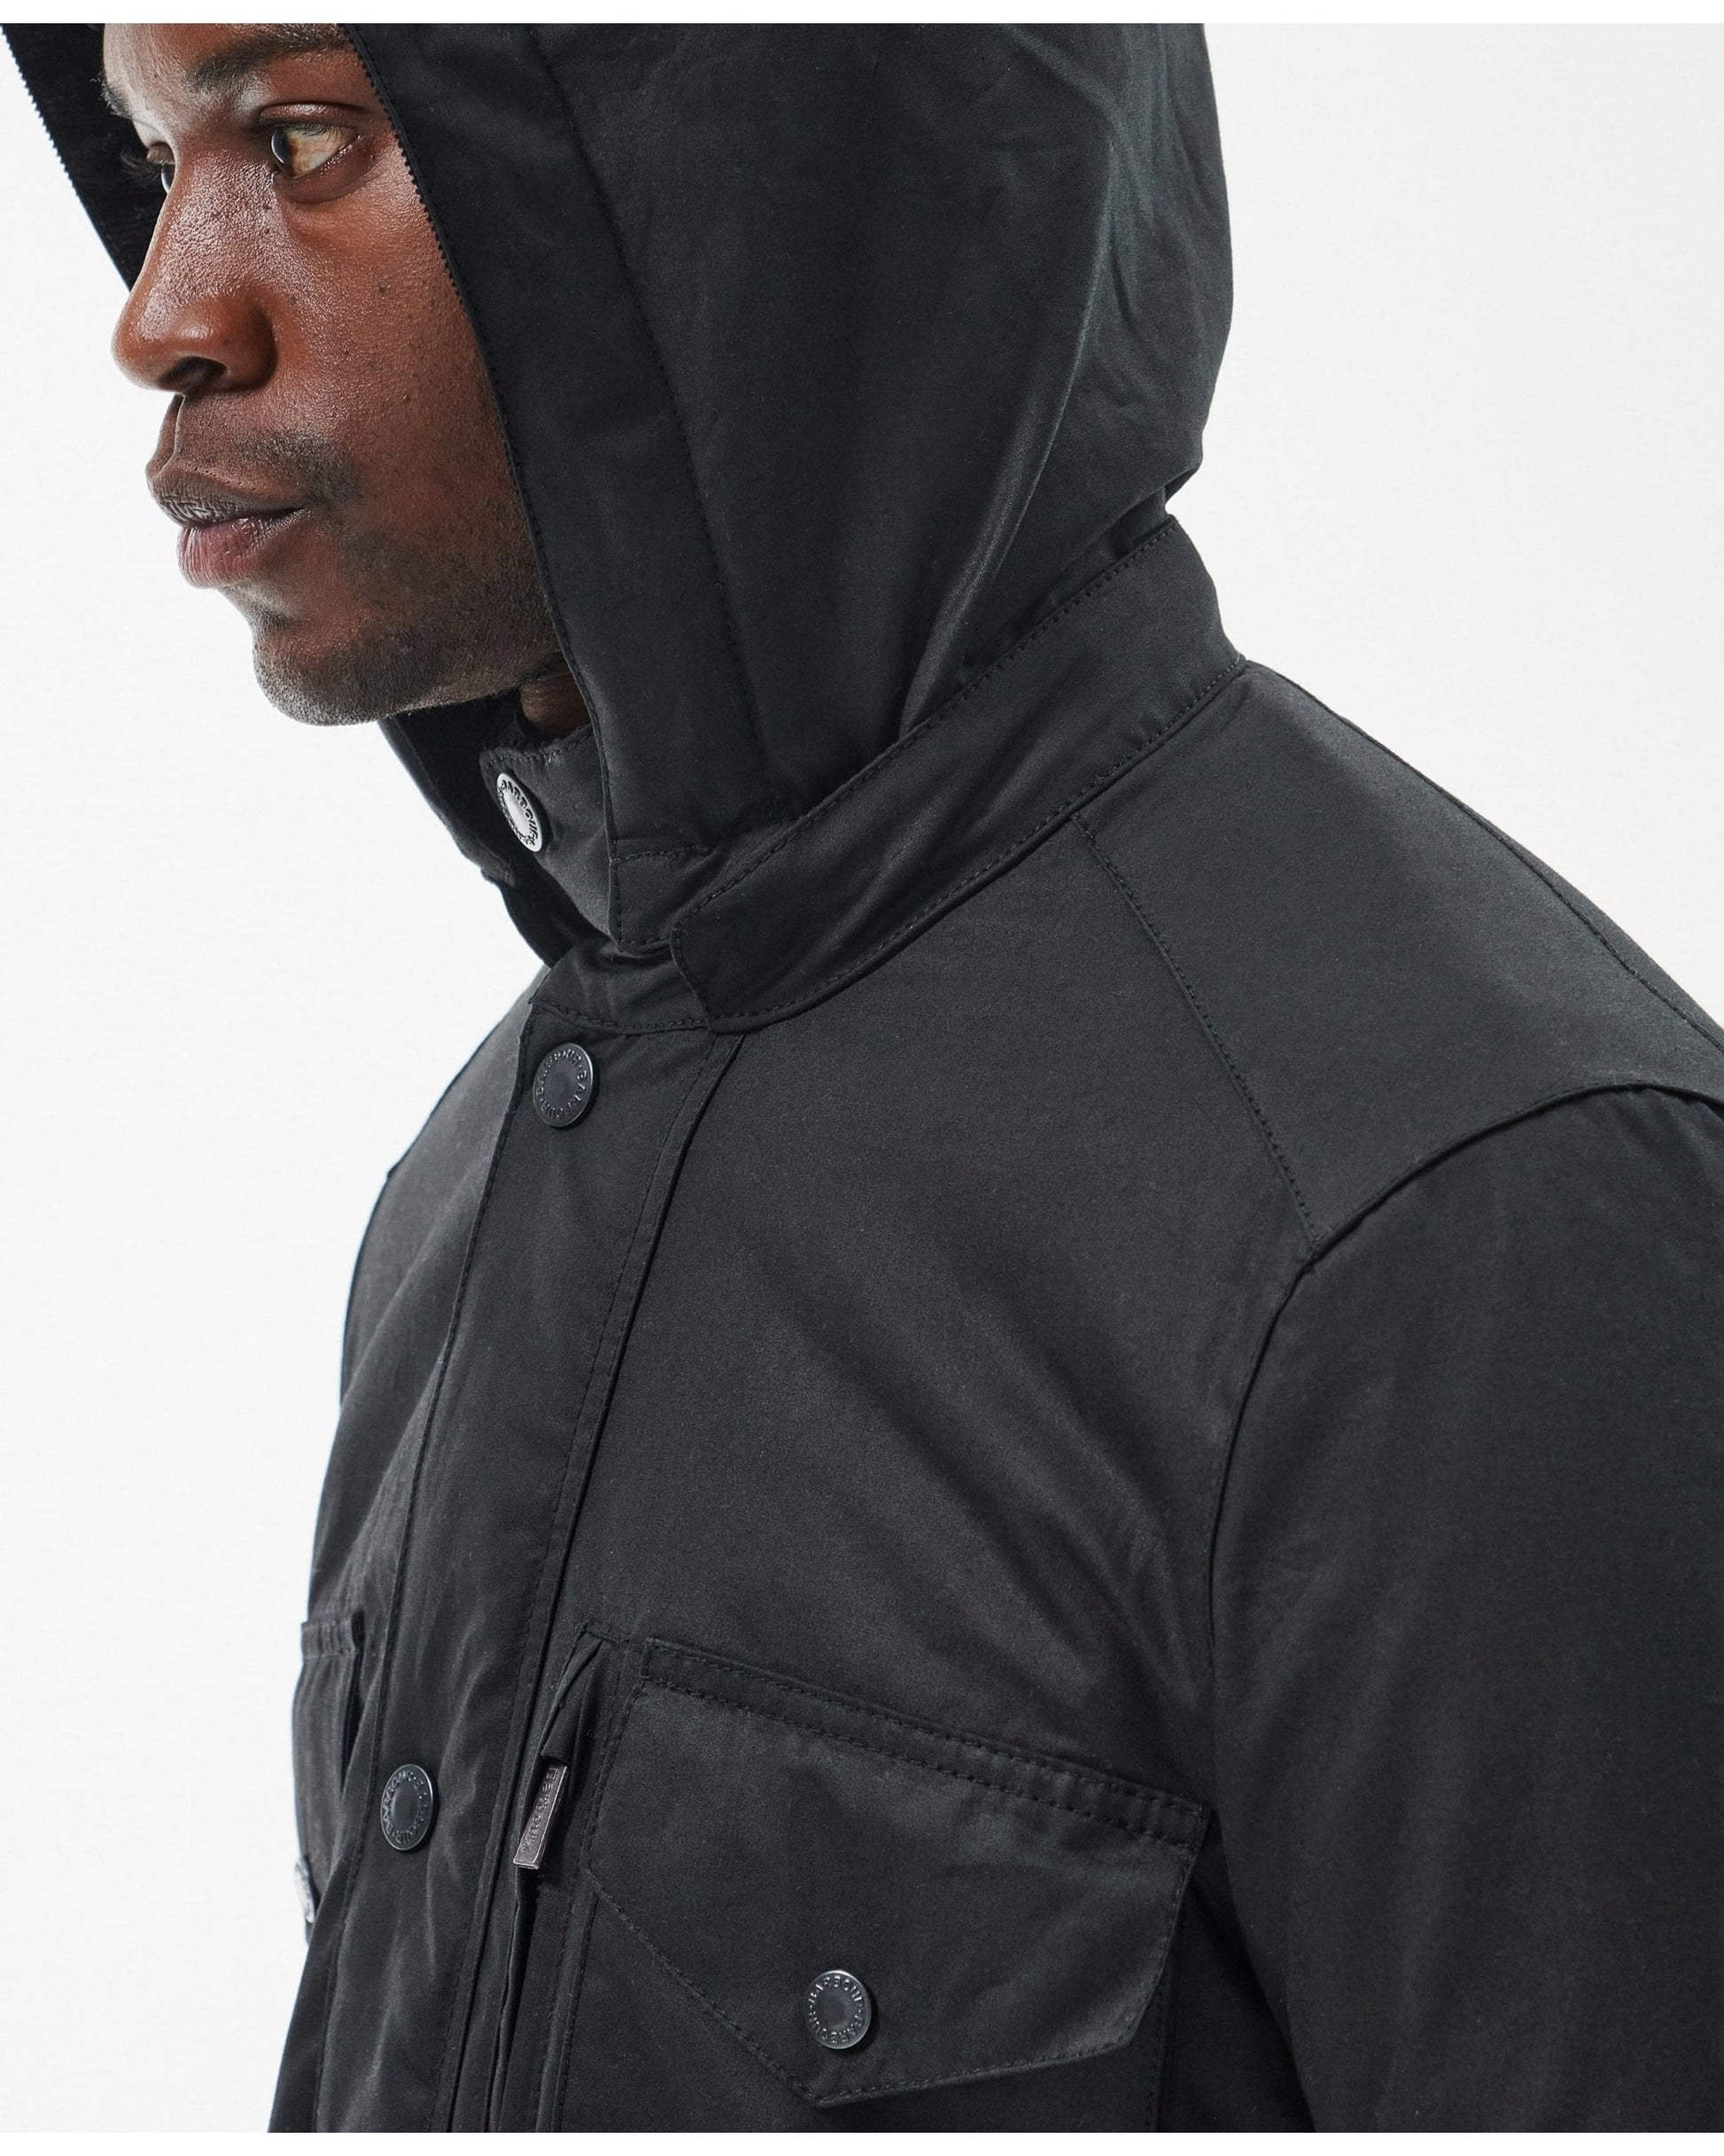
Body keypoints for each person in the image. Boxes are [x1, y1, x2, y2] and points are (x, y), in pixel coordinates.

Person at [8, 22, 1719, 2132]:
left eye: (297, 140)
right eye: (150, 156)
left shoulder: (1458, 1235)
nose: (163, 314)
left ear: (737, 192)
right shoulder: (475, 1185)